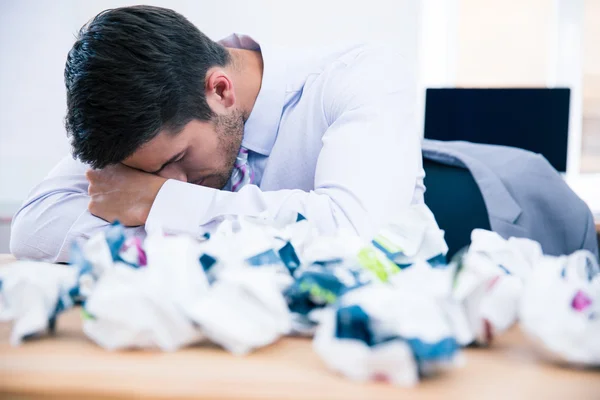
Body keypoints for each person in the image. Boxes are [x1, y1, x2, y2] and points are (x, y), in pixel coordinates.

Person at [10, 5, 424, 262]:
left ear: (221, 90)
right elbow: (34, 229)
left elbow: (356, 238)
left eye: (176, 159)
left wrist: (162, 205)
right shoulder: (137, 111)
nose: (170, 179)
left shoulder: (363, 77)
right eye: (146, 175)